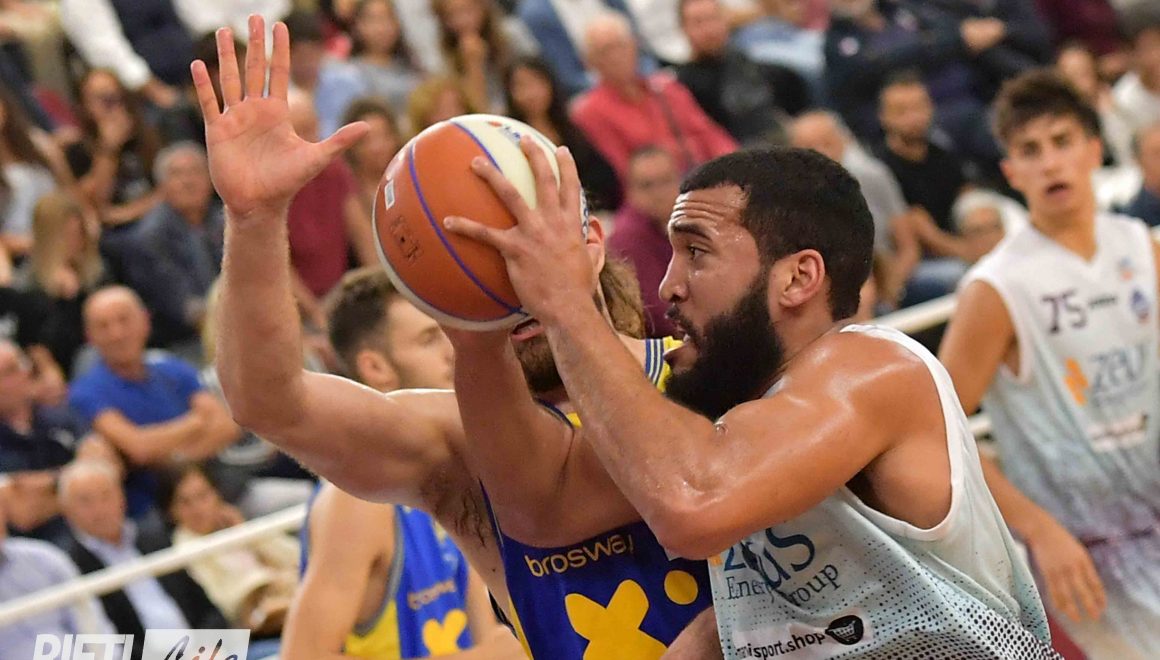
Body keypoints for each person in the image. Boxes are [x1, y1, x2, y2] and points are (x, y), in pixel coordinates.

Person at [198, 16, 711, 658]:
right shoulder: (453, 442)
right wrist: (254, 218)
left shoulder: (709, 375)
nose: (511, 294)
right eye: (478, 273)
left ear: (592, 243)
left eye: (525, 254)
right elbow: (269, 402)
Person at [442, 141, 1057, 657]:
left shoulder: (870, 369)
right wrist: (475, 340)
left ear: (798, 278)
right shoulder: (732, 424)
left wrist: (568, 304)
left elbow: (691, 506)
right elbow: (540, 511)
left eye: (696, 252)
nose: (667, 285)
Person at [939, 70, 1160, 659]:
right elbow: (939, 431)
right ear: (1011, 172)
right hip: (1083, 554)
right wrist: (1036, 529)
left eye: (1062, 142)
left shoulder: (1140, 246)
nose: (1050, 162)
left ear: (1094, 150)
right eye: (1030, 151)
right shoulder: (996, 287)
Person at [283, 268, 521, 659]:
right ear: (376, 368)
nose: (452, 350)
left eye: (449, 330)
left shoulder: (456, 467)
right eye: (429, 338)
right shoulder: (358, 502)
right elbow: (303, 655)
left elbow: (488, 639)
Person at [67, 286, 242, 518]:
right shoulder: (86, 391)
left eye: (124, 320)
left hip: (219, 486)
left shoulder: (171, 367)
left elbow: (227, 426)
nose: (116, 334)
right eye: (103, 326)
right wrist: (196, 423)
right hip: (153, 508)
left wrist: (173, 457)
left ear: (145, 320)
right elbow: (139, 448)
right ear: (89, 336)